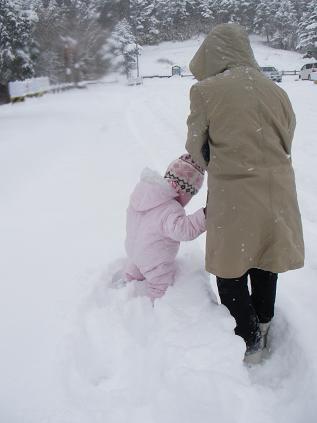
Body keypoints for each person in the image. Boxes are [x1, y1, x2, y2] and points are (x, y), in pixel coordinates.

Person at [185, 24, 305, 363]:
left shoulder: (206, 91)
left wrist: (219, 159)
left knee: (230, 268)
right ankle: (264, 324)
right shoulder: (277, 91)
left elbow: (196, 147)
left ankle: (247, 339)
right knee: (266, 259)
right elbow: (288, 136)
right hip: (278, 192)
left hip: (235, 194)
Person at [124, 154, 206, 302]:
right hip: (154, 261)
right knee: (160, 286)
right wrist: (205, 216)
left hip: (133, 250)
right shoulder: (171, 208)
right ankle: (155, 310)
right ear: (185, 192)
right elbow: (183, 230)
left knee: (137, 265)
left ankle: (129, 282)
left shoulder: (145, 195)